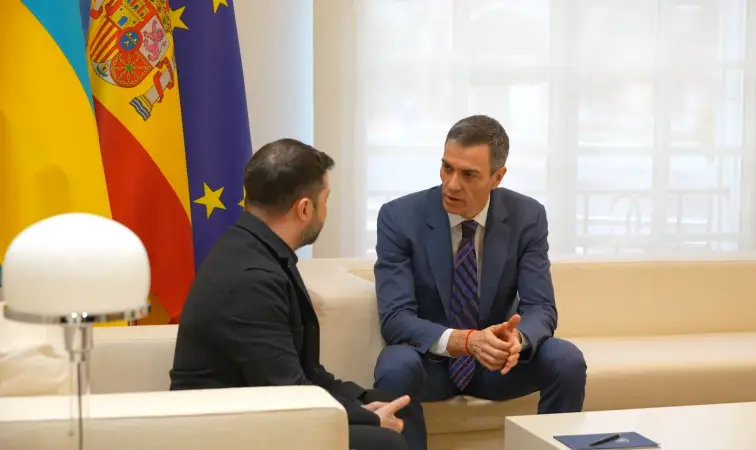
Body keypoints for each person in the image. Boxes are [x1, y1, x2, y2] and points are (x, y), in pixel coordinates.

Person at [170, 138, 410, 450]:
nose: (326, 210)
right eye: (326, 199)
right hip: (225, 429)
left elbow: (305, 372)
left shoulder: (261, 249)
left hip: (262, 409)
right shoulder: (251, 280)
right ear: (305, 209)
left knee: (399, 407)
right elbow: (288, 391)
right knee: (385, 441)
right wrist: (368, 418)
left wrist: (360, 403)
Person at [372, 115, 587, 450]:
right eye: (447, 168)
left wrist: (515, 340)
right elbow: (396, 318)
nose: (452, 184)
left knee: (566, 359)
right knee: (394, 364)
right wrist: (467, 341)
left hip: (498, 364)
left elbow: (541, 308)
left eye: (468, 174)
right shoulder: (398, 217)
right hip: (432, 361)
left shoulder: (527, 216)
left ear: (497, 177)